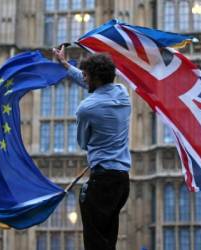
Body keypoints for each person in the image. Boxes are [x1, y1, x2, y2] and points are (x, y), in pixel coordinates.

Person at [53, 46, 131, 250]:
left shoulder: (86, 109)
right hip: (122, 181)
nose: (84, 79)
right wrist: (65, 65)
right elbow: (91, 83)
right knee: (108, 240)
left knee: (95, 243)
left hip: (102, 181)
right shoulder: (123, 94)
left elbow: (83, 143)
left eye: (86, 75)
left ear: (94, 78)